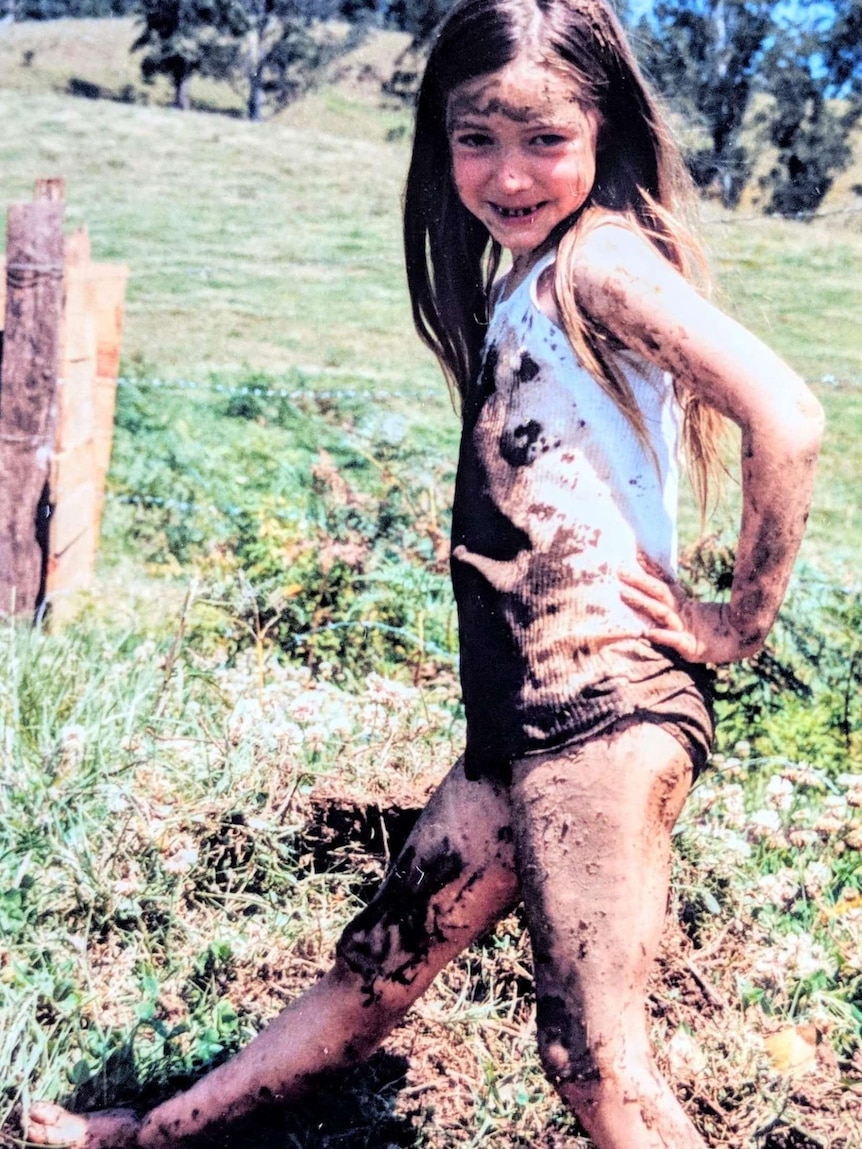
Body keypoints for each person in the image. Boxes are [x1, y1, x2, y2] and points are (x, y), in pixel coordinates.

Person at [26, 0, 824, 1146]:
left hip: (598, 716)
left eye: (544, 138)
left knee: (594, 1063)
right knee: (377, 965)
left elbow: (785, 417)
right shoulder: (530, 274)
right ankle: (145, 1135)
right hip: (523, 722)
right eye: (474, 137)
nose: (507, 173)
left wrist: (735, 620)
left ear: (602, 132)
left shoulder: (597, 260)